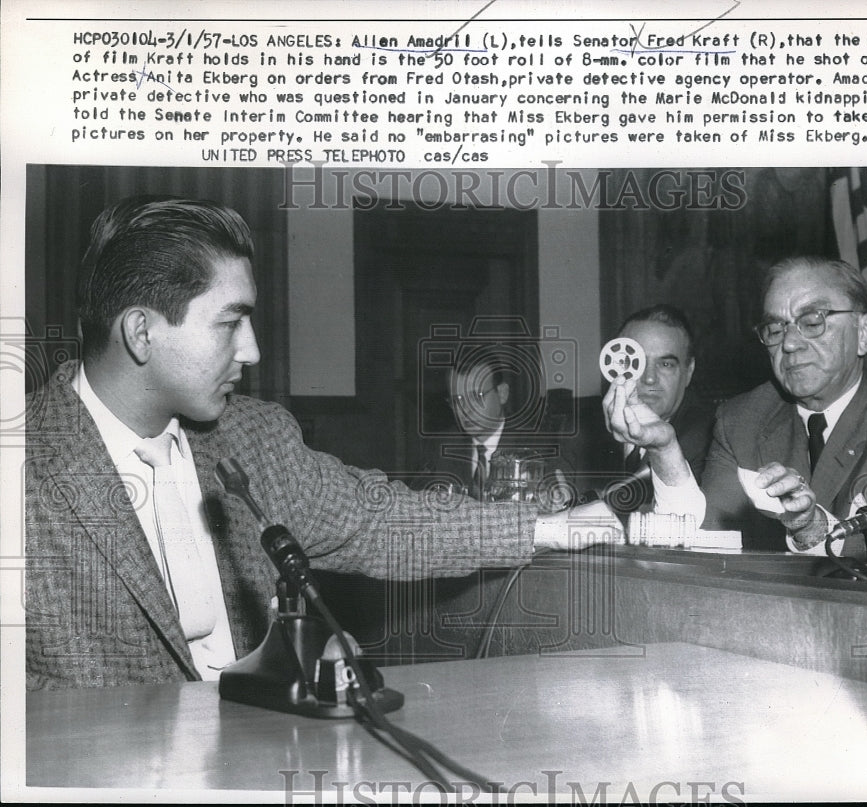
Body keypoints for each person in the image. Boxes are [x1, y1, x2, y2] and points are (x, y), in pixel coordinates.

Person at [24, 195, 618, 690]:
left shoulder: (254, 438)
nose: (252, 349)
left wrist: (547, 528)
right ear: (140, 332)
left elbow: (376, 520)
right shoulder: (21, 470)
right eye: (230, 323)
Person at [605, 256, 867, 579]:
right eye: (775, 329)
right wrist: (665, 450)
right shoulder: (742, 419)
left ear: (864, 333)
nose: (789, 343)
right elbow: (703, 542)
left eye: (812, 322)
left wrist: (810, 526)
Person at [596, 305, 715, 515]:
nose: (649, 378)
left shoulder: (713, 438)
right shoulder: (580, 429)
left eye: (666, 364)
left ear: (689, 371)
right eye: (635, 362)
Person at [417, 350, 574, 507]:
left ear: (502, 393)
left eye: (477, 396)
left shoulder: (537, 444)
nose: (466, 409)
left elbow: (561, 484)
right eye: (457, 400)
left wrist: (557, 494)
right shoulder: (439, 447)